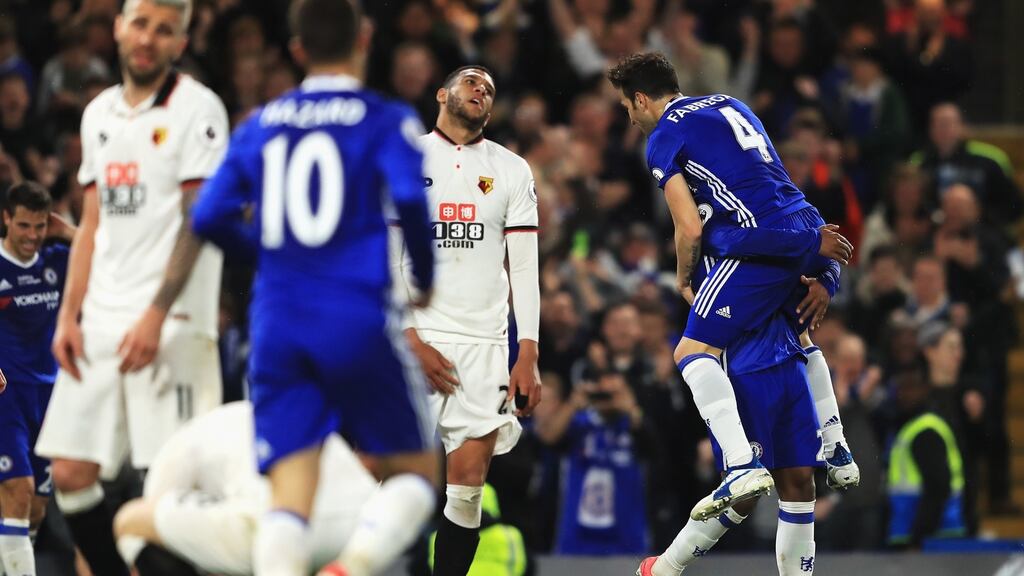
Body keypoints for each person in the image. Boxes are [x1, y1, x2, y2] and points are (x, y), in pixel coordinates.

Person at [190, 1, 439, 575]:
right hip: (353, 315)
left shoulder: (261, 122)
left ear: (297, 50)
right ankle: (350, 568)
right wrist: (424, 277)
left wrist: (272, 257)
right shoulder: (384, 118)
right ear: (365, 39)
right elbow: (407, 196)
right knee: (419, 473)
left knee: (288, 498)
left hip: (276, 324)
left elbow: (207, 216)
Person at [606, 52, 859, 521]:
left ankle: (740, 464)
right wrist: (818, 263)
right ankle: (837, 446)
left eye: (626, 106)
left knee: (689, 350)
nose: (629, 116)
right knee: (802, 335)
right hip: (804, 221)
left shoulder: (663, 136)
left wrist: (683, 275)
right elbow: (776, 183)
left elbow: (689, 226)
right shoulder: (731, 103)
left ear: (641, 99)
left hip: (761, 246)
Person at [35, 1, 229, 575]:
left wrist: (156, 314)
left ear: (181, 42)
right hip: (100, 317)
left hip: (173, 326)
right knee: (69, 473)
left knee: (169, 488)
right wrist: (69, 316)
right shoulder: (98, 114)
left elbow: (200, 220)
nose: (149, 38)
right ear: (118, 28)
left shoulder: (200, 110)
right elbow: (92, 224)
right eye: (140, 23)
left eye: (164, 30)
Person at [392, 64, 541, 576]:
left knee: (468, 487)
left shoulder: (511, 169)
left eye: (490, 89)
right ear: (442, 94)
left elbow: (523, 266)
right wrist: (408, 337)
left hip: (483, 341)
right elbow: (384, 255)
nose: (482, 90)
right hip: (416, 333)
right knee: (383, 478)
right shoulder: (404, 158)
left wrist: (529, 351)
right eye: (472, 81)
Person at [639, 310, 822, 576]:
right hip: (744, 362)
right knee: (744, 494)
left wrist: (827, 279)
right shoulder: (728, 273)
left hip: (790, 356)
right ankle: (666, 566)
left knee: (802, 481)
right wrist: (683, 279)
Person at [112, 402, 379, 576]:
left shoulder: (176, 452)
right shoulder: (246, 417)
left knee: (129, 522)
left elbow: (148, 518)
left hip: (280, 529)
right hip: (368, 529)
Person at [0, 182, 74, 576]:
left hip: (51, 396)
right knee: (18, 490)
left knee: (36, 510)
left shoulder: (57, 260)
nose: (32, 236)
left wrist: (70, 232)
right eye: (24, 225)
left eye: (40, 226)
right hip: (6, 393)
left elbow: (111, 255)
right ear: (6, 219)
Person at [887, 365, 966, 548]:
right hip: (924, 535)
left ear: (925, 389)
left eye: (911, 387)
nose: (904, 394)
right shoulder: (910, 426)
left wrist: (919, 538)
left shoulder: (925, 431)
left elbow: (938, 487)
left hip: (933, 540)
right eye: (901, 388)